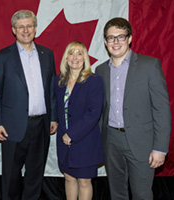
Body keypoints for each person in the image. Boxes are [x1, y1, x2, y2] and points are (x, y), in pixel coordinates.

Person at [95, 17, 171, 200]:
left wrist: (160, 148)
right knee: (117, 193)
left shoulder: (149, 65)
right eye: (111, 38)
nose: (116, 42)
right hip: (111, 141)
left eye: (120, 37)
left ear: (129, 39)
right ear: (105, 42)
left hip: (142, 143)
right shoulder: (100, 71)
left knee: (142, 195)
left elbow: (161, 109)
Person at [0, 9, 58, 200]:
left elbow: (51, 88)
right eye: (21, 27)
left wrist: (53, 117)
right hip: (12, 126)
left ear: (35, 28)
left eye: (29, 26)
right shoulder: (2, 56)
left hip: (42, 124)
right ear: (13, 30)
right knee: (11, 176)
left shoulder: (47, 54)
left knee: (35, 176)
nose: (25, 30)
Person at [55, 41, 104, 200]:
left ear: (85, 58)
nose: (75, 57)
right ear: (66, 58)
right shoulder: (58, 81)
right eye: (71, 53)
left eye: (79, 53)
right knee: (68, 178)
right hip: (63, 139)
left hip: (85, 139)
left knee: (84, 181)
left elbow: (94, 113)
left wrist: (72, 134)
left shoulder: (94, 80)